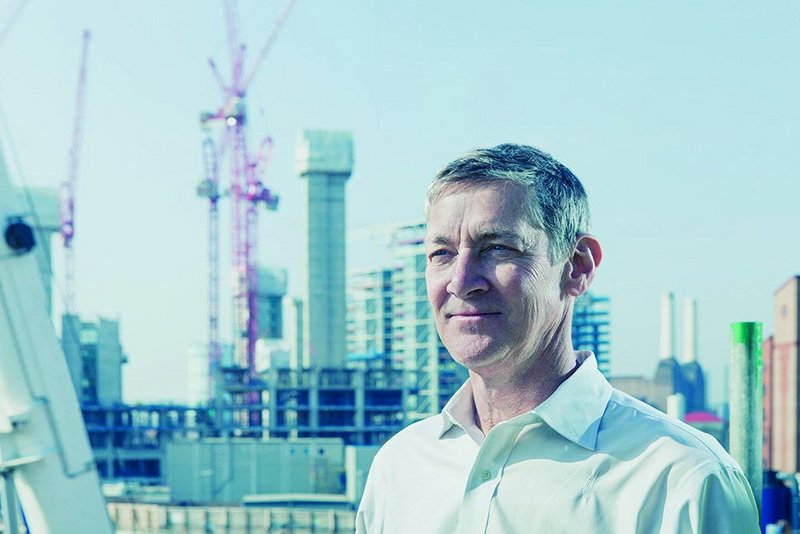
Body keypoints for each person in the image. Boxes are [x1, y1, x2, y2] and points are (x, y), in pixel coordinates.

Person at [355, 143, 759, 533]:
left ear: (577, 267)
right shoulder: (400, 468)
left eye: (496, 248)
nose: (461, 282)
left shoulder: (681, 482)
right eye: (442, 254)